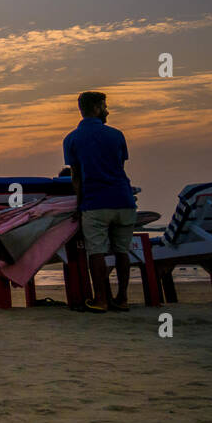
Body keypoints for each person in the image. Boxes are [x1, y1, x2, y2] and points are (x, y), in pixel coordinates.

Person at [63, 91, 136, 312]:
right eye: (104, 106)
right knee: (122, 251)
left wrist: (78, 204)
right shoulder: (116, 135)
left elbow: (76, 177)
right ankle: (122, 298)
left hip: (95, 203)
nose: (107, 110)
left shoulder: (72, 139)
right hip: (123, 200)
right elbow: (119, 168)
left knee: (96, 252)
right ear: (95, 108)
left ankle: (101, 299)